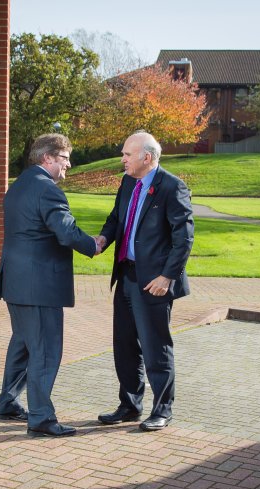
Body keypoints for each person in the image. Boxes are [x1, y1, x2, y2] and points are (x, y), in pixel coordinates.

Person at [0, 133, 102, 438]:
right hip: (38, 286)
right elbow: (66, 233)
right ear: (48, 158)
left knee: (23, 344)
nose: (69, 165)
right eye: (65, 159)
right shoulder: (48, 190)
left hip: (15, 282)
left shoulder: (18, 185)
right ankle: (41, 417)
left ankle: (8, 401)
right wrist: (92, 245)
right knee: (45, 350)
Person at [95, 131, 194, 431]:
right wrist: (103, 238)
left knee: (155, 347)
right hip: (126, 276)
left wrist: (167, 276)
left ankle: (162, 409)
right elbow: (116, 218)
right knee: (123, 345)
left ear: (146, 158)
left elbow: (184, 237)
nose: (122, 159)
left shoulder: (172, 187)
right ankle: (129, 405)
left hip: (154, 281)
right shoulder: (128, 182)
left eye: (127, 154)